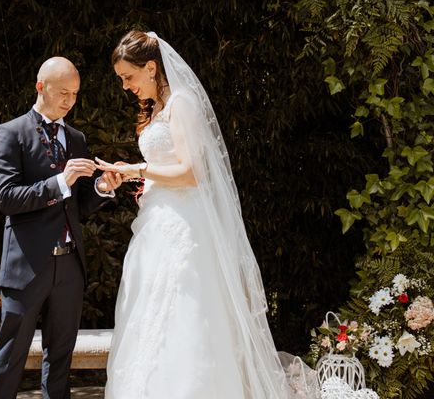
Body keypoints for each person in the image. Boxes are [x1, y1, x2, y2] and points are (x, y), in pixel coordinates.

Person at [96, 31, 301, 398]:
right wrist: (135, 180)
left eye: (128, 77)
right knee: (149, 311)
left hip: (186, 228)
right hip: (158, 223)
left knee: (185, 312)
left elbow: (192, 172)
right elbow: (168, 168)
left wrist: (137, 170)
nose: (125, 86)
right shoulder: (157, 110)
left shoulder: (182, 103)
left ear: (151, 67)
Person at [0, 57, 122, 399]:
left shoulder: (76, 138)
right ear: (40, 87)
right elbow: (6, 198)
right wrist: (60, 181)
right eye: (63, 92)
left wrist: (103, 188)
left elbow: (79, 205)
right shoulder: (10, 133)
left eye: (75, 94)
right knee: (10, 356)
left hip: (69, 264)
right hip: (27, 265)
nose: (69, 101)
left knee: (61, 355)